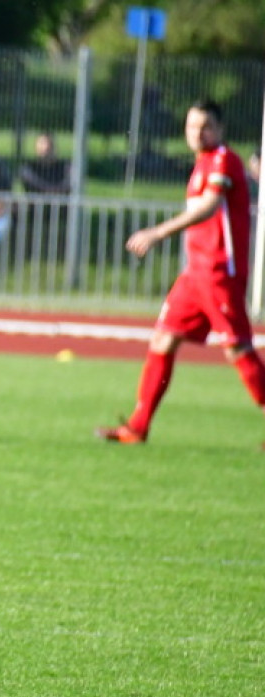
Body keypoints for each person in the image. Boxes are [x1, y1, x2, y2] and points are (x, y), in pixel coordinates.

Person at [97, 99, 265, 446]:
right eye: (191, 126)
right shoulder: (202, 163)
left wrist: (158, 233)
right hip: (195, 274)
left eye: (205, 126)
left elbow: (209, 206)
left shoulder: (223, 159)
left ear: (220, 130)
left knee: (237, 349)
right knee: (162, 339)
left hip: (220, 273)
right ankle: (137, 426)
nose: (197, 133)